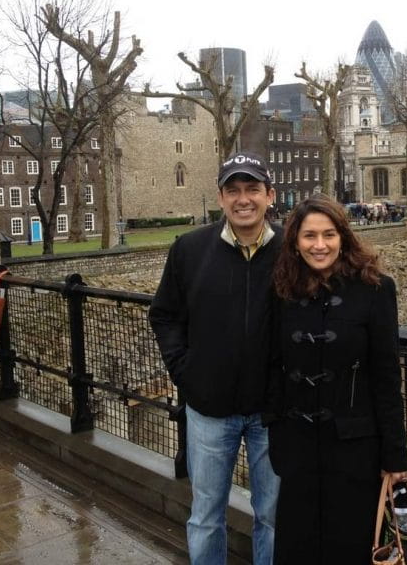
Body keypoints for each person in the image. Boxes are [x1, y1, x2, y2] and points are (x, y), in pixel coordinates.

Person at [149, 152, 281, 565]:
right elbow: (165, 315)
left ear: (270, 195)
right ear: (221, 198)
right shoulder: (190, 249)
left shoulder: (291, 250)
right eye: (233, 190)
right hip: (209, 409)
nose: (243, 199)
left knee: (273, 516)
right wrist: (186, 372)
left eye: (252, 189)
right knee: (206, 515)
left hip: (273, 410)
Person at [267, 195, 407, 564]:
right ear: (295, 242)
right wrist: (277, 430)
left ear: (343, 237)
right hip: (298, 448)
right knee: (297, 550)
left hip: (355, 450)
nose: (320, 245)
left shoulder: (376, 289)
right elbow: (272, 365)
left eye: (328, 234)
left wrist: (395, 455)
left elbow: (386, 375)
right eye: (309, 235)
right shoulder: (282, 289)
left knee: (349, 549)